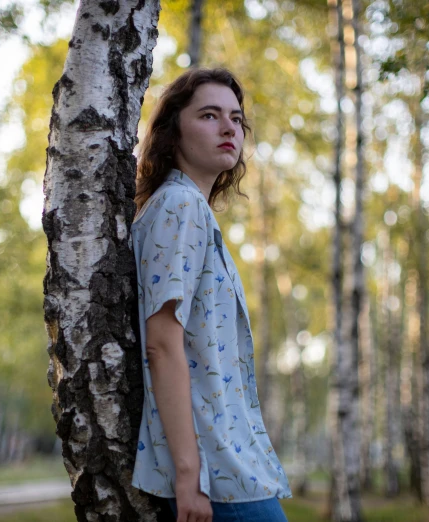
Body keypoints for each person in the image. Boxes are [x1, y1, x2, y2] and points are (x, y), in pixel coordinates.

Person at [130, 68, 291, 522]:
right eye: (209, 115)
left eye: (237, 119)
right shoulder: (179, 206)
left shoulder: (188, 209)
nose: (229, 128)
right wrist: (188, 475)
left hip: (228, 465)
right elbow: (162, 344)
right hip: (213, 474)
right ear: (172, 132)